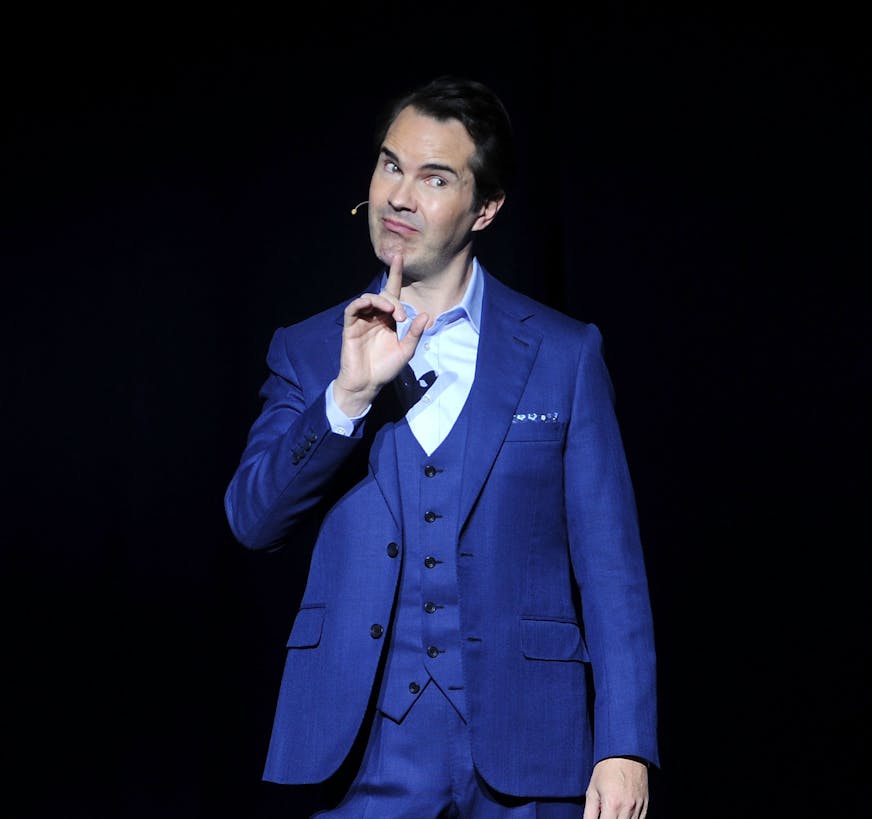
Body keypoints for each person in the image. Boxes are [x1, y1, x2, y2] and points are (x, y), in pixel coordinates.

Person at [224, 75, 659, 818]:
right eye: (391, 165)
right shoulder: (307, 351)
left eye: (435, 177)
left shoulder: (562, 353)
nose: (400, 196)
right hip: (360, 756)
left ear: (484, 207)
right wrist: (347, 398)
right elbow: (252, 519)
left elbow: (611, 567)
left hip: (529, 752)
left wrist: (625, 745)